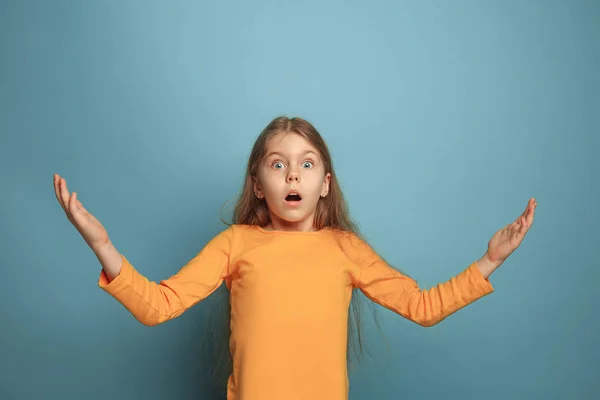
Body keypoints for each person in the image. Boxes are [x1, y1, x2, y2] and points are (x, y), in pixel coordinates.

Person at [53, 116, 537, 400]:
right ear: (258, 186)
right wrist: (101, 244)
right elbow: (158, 306)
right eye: (277, 164)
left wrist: (489, 260)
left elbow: (423, 307)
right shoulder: (235, 244)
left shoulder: (346, 249)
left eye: (306, 164)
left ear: (324, 184)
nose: (292, 176)